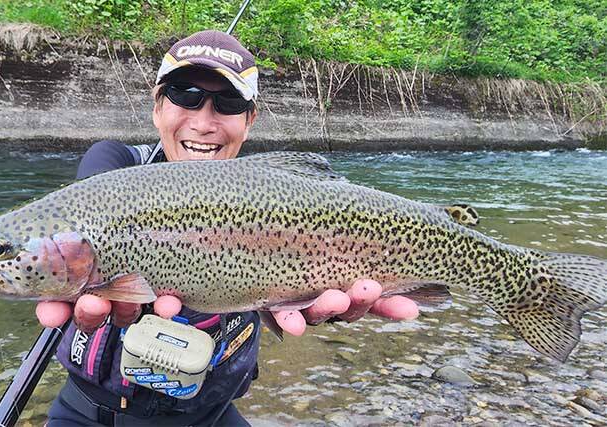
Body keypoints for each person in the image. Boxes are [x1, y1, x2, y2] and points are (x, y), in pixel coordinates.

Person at [38, 30, 419, 426]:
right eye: (184, 95)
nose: (203, 122)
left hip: (211, 414)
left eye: (228, 102)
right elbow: (83, 215)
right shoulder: (112, 169)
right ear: (157, 107)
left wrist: (321, 291)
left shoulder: (275, 196)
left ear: (249, 119)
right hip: (88, 413)